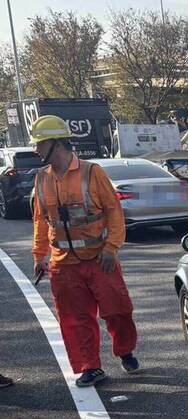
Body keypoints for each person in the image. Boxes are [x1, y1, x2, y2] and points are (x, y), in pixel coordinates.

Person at [30, 115, 140, 387]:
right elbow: (41, 220)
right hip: (63, 264)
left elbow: (114, 211)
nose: (36, 150)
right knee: (74, 318)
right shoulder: (41, 179)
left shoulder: (92, 173)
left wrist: (112, 247)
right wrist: (39, 255)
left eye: (40, 144)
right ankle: (90, 367)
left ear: (56, 143)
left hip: (100, 258)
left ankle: (125, 350)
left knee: (118, 311)